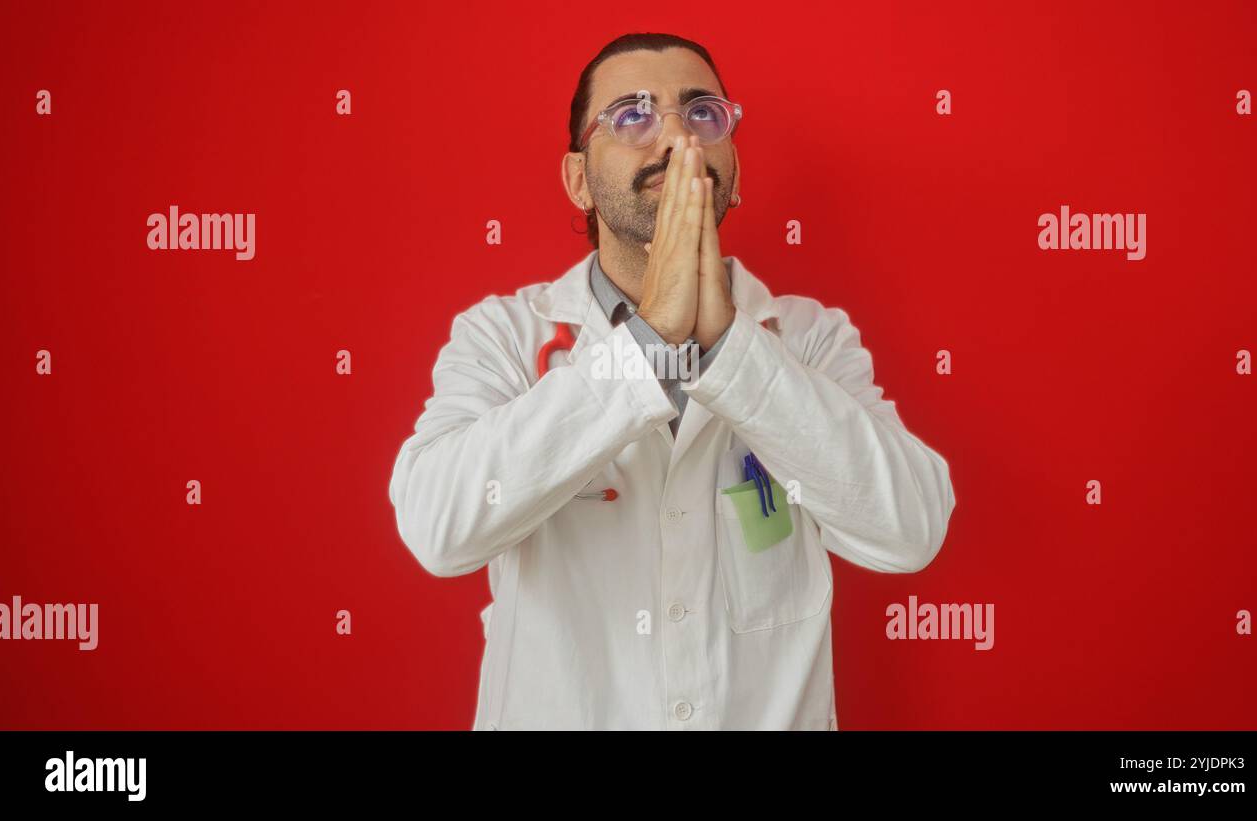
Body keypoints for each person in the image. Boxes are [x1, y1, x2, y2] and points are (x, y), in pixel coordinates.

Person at [388, 32, 956, 730]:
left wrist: (734, 351)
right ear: (577, 179)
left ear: (733, 169)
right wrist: (647, 338)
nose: (676, 139)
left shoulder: (808, 338)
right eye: (631, 114)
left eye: (702, 114)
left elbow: (912, 528)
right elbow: (437, 528)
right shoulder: (503, 336)